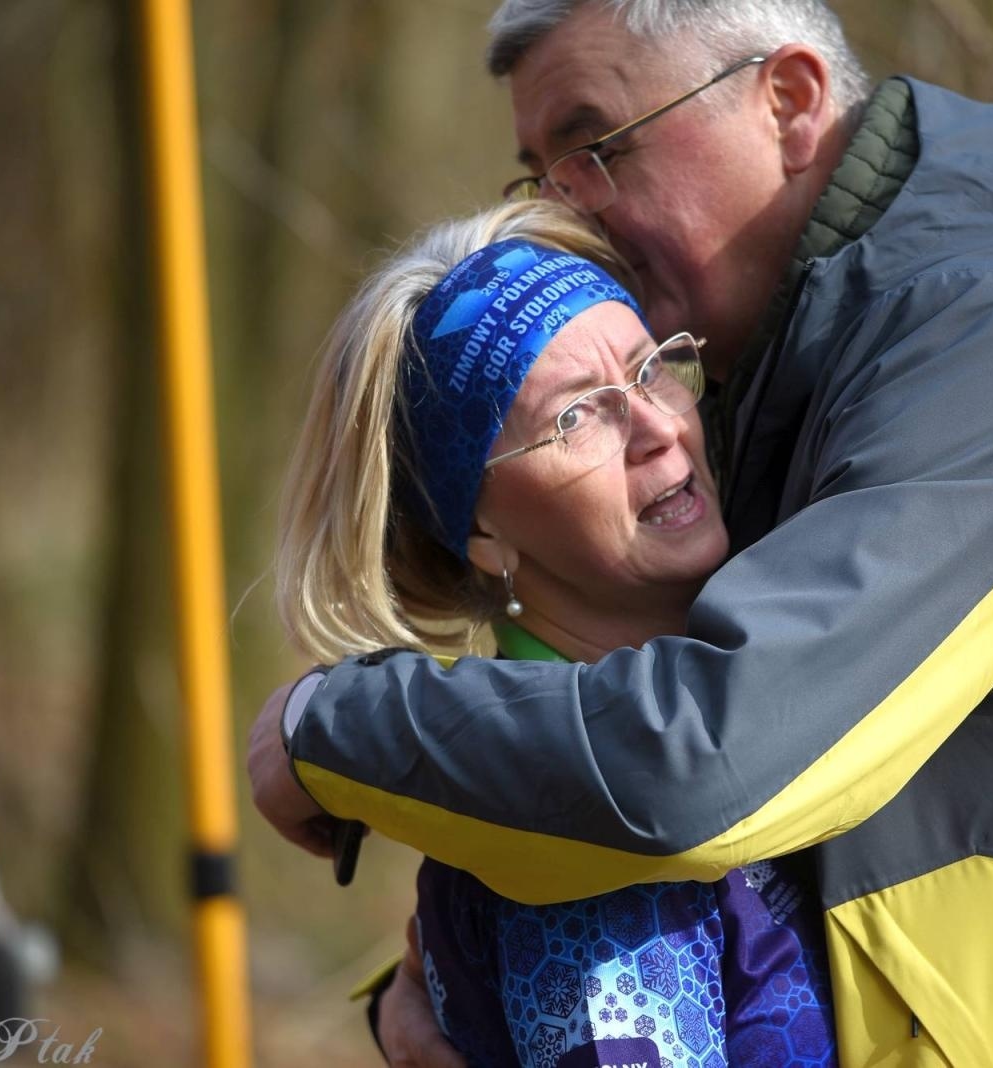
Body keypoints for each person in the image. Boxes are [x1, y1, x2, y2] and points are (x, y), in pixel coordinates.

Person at [249, 1, 993, 1064]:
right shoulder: (782, 381)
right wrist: (442, 1006)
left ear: (791, 100)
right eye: (542, 172)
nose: (571, 207)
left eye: (597, 145)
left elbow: (705, 770)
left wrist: (330, 727)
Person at [273, 199, 836, 1068]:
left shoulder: (708, 715)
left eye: (652, 370)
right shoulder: (590, 873)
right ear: (483, 536)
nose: (656, 428)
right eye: (578, 416)